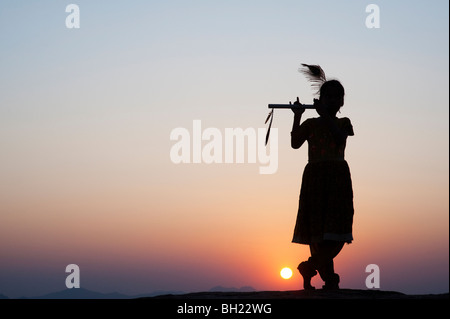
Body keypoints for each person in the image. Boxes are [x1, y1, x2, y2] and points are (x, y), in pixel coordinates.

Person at [290, 79, 354, 290]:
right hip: (316, 179)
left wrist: (325, 114)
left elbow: (339, 139)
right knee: (318, 232)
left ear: (342, 101)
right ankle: (326, 276)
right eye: (329, 96)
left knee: (337, 231)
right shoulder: (310, 124)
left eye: (338, 96)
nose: (334, 100)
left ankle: (312, 268)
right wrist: (297, 115)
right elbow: (295, 144)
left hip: (337, 179)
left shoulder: (344, 122)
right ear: (321, 99)